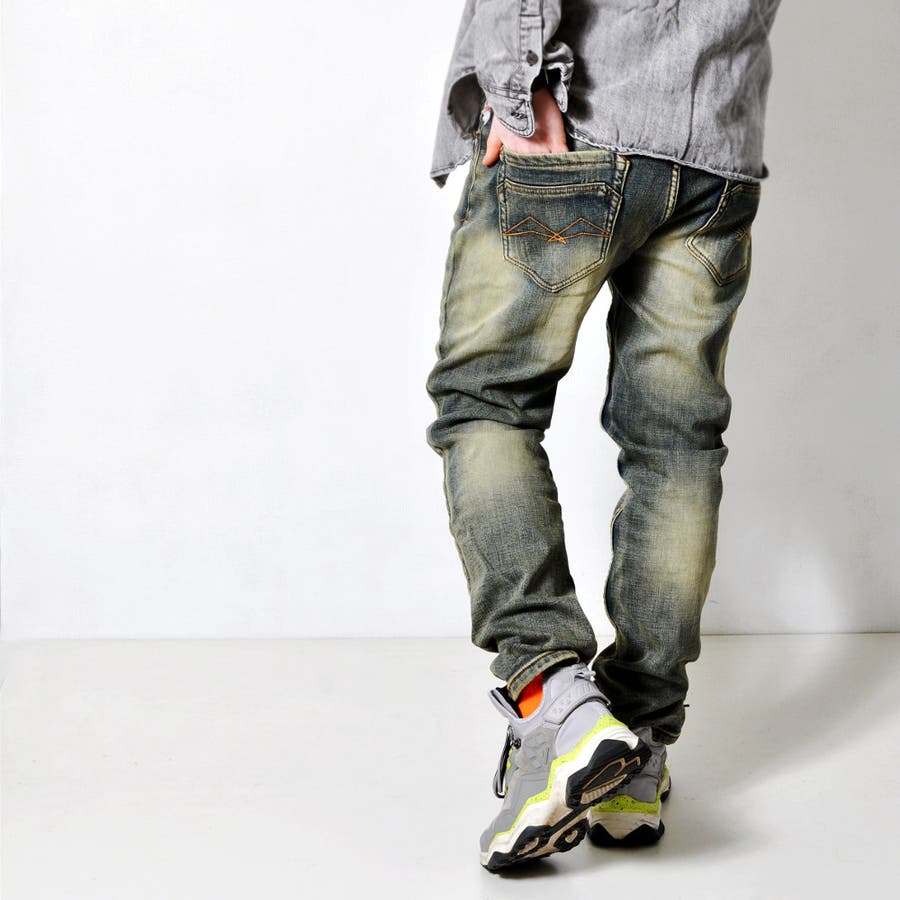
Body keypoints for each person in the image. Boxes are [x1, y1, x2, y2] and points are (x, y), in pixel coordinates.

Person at [424, 0, 782, 872]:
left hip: (582, 119)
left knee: (486, 403)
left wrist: (519, 91)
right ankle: (638, 748)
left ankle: (555, 702)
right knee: (676, 449)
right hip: (717, 150)